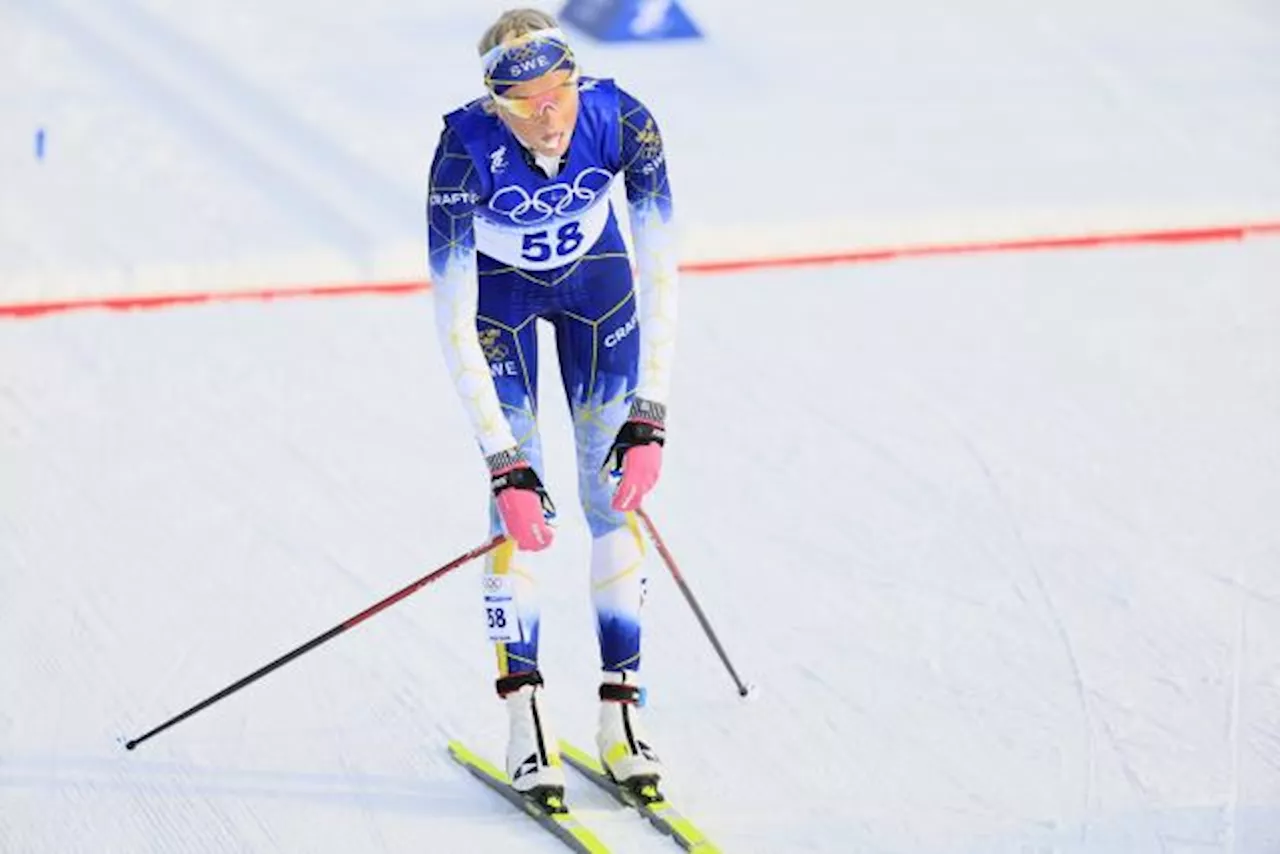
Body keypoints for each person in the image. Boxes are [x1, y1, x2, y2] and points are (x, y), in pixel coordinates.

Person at [425, 8, 679, 806]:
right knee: (518, 514)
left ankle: (620, 713)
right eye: (522, 99)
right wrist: (505, 464)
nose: (545, 115)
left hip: (599, 296)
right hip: (497, 308)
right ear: (493, 105)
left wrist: (651, 412)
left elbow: (662, 266)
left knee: (613, 503)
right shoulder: (463, 154)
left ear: (577, 81)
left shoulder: (623, 119)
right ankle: (524, 714)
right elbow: (454, 316)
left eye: (556, 93)